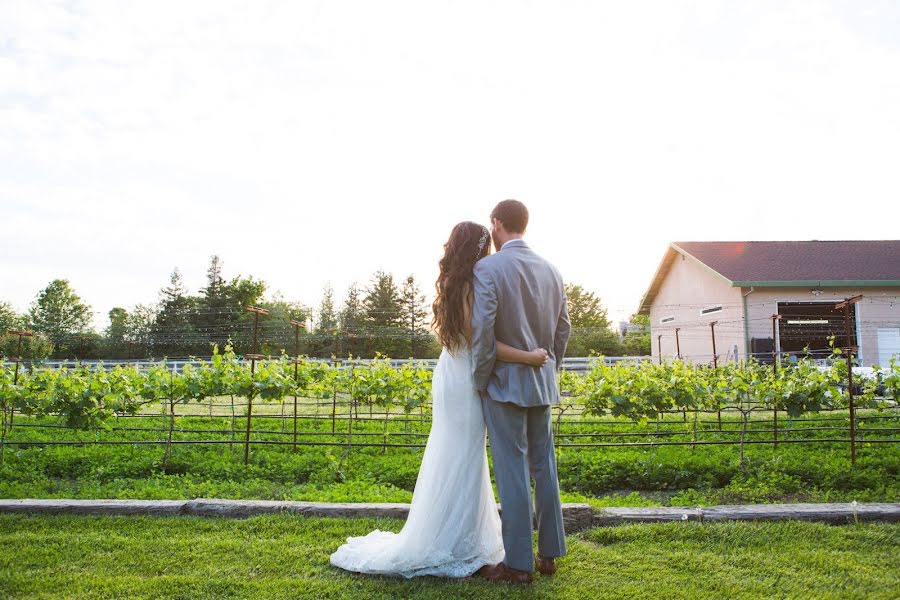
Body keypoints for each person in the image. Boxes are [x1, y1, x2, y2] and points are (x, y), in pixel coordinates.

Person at [330, 220, 551, 578]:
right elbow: (483, 344)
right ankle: (453, 543)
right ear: (479, 248)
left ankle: (464, 538)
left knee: (461, 455)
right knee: (462, 457)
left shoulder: (454, 283)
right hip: (465, 380)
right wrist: (530, 356)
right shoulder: (469, 288)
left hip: (453, 373)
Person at [471, 199, 570, 584]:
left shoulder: (488, 268)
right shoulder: (552, 270)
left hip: (504, 384)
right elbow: (563, 328)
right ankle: (549, 554)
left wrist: (481, 380)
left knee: (511, 469)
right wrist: (550, 369)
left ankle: (517, 564)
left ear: (496, 223)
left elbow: (483, 332)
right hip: (541, 382)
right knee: (544, 465)